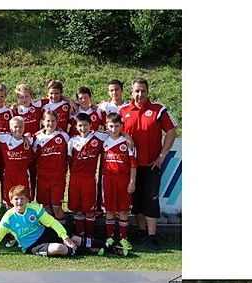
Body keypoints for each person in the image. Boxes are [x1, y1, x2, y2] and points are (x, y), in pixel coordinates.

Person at [119, 78, 178, 250]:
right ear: (131, 92)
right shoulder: (123, 111)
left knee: (151, 199)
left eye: (143, 91)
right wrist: (125, 135)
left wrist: (162, 155)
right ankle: (141, 231)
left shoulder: (158, 110)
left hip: (152, 164)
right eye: (137, 91)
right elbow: (113, 129)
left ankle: (152, 236)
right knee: (136, 200)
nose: (140, 94)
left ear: (147, 92)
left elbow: (172, 131)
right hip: (131, 167)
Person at [0, 185, 94, 257]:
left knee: (74, 239)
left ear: (27, 200)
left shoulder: (33, 209)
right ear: (11, 201)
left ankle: (105, 246)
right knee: (60, 248)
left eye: (22, 198)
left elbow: (52, 222)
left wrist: (64, 237)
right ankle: (87, 251)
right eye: (16, 199)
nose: (19, 202)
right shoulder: (8, 218)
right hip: (31, 245)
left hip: (44, 234)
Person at [68, 112, 107, 242]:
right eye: (80, 125)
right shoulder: (72, 141)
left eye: (85, 125)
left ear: (90, 125)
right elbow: (68, 161)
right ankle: (80, 235)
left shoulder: (99, 137)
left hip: (89, 178)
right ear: (76, 126)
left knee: (89, 210)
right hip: (74, 178)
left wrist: (127, 137)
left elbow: (115, 135)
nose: (83, 128)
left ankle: (90, 236)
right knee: (78, 209)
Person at [101, 112, 137, 252]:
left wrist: (132, 182)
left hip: (123, 179)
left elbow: (133, 165)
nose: (114, 129)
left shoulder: (128, 142)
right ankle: (109, 237)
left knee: (123, 210)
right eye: (111, 126)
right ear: (106, 126)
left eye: (117, 126)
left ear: (122, 126)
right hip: (108, 179)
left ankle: (123, 238)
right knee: (109, 210)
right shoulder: (102, 140)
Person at [33, 111, 70, 219]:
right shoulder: (37, 138)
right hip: (42, 178)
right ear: (43, 122)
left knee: (57, 207)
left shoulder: (64, 136)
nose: (51, 123)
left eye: (53, 121)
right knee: (46, 207)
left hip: (58, 178)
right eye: (48, 121)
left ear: (57, 122)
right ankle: (50, 233)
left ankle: (62, 234)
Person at [0, 115, 35, 205]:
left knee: (24, 199)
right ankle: (11, 217)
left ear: (24, 127)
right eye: (15, 127)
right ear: (10, 129)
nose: (18, 129)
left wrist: (27, 137)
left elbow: (41, 135)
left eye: (21, 126)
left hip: (23, 174)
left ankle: (24, 218)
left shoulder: (29, 140)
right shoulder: (4, 139)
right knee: (10, 200)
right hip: (9, 174)